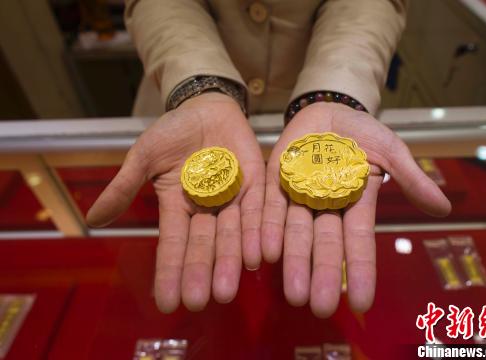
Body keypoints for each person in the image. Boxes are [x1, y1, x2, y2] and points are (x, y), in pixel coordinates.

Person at [87, 0, 451, 319]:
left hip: (314, 100)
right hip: (186, 109)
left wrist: (334, 92)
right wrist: (199, 85)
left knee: (295, 283)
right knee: (199, 281)